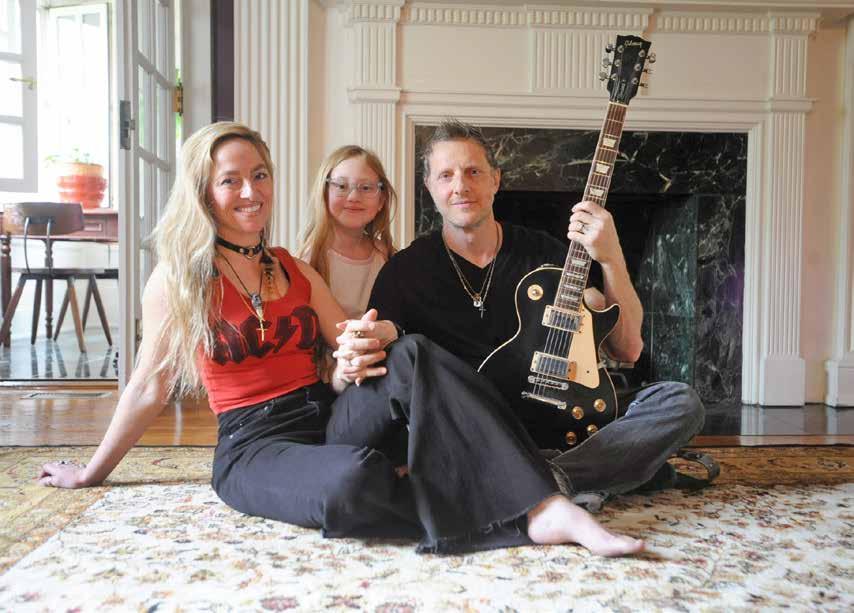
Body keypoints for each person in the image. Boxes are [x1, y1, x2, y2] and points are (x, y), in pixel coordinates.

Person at [37, 122, 644, 557]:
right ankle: (515, 514)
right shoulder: (178, 279)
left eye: (259, 175)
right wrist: (92, 471)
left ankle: (545, 505)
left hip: (326, 416)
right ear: (203, 191)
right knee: (353, 481)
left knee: (410, 352)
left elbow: (353, 339)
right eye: (231, 181)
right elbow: (148, 388)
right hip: (254, 444)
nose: (250, 191)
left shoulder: (292, 268)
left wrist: (365, 342)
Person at [368, 119, 711, 512]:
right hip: (477, 432)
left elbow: (628, 349)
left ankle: (548, 478)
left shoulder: (545, 252)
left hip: (566, 416)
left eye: (473, 172)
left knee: (681, 402)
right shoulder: (404, 272)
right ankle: (589, 475)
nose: (460, 186)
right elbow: (386, 379)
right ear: (429, 186)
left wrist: (611, 255)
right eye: (446, 175)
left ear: (496, 180)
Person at [299, 145, 396, 319]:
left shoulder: (386, 255)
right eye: (342, 186)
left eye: (366, 188)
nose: (353, 197)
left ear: (381, 200)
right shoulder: (309, 260)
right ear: (324, 194)